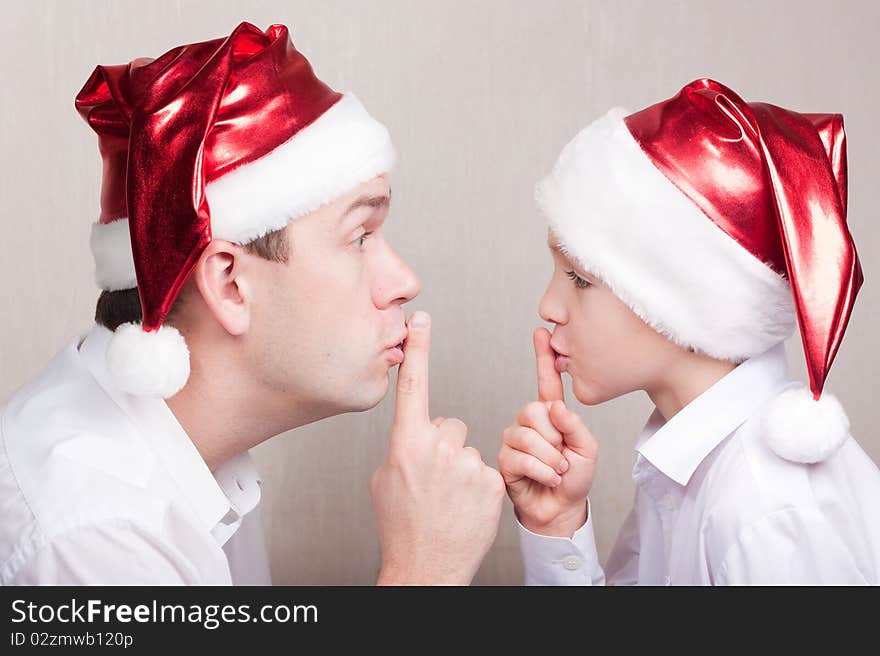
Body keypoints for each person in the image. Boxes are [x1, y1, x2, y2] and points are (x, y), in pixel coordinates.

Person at [0, 21, 504, 585]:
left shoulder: (202, 462)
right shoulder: (95, 538)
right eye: (360, 236)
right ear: (230, 284)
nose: (404, 281)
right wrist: (424, 571)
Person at [498, 78, 880, 585]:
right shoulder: (687, 467)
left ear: (683, 299)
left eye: (579, 278)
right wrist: (557, 523)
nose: (549, 306)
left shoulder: (767, 512)